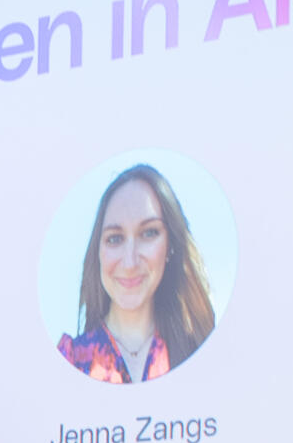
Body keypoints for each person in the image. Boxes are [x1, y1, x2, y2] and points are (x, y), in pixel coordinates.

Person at [57, 162, 219, 384]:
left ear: (170, 246)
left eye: (149, 233)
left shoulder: (203, 354)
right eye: (115, 238)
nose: (130, 262)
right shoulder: (69, 361)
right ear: (98, 252)